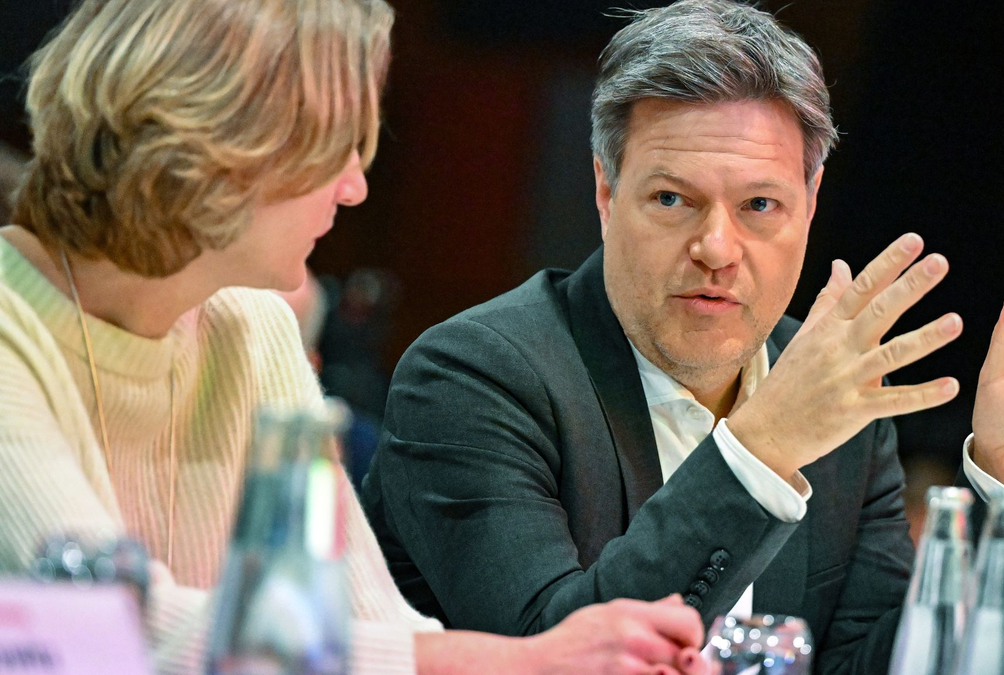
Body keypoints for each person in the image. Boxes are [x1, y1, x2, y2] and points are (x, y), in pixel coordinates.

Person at [361, 1, 1004, 672]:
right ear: (606, 193)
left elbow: (879, 663)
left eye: (760, 207)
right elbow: (557, 652)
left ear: (811, 205)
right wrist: (762, 446)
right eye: (673, 199)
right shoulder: (473, 377)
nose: (717, 247)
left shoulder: (837, 399)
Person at [0, 1, 711, 674]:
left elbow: (361, 622)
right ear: (221, 145)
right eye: (338, 148)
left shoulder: (253, 324)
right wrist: (527, 660)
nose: (353, 188)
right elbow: (103, 630)